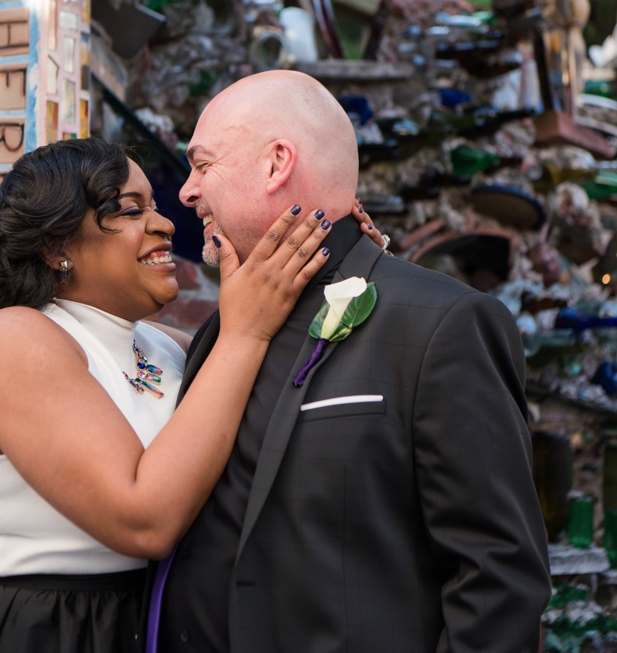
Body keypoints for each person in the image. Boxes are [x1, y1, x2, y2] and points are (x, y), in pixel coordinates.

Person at [0, 137, 382, 653]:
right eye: (131, 209)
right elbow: (145, 521)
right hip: (56, 632)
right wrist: (244, 332)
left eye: (154, 207)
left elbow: (280, 378)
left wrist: (354, 268)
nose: (162, 224)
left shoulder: (164, 348)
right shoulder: (13, 339)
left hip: (164, 619)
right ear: (56, 246)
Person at [149, 70, 552, 653]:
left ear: (276, 163)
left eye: (202, 165)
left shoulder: (439, 323)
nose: (186, 192)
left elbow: (499, 581)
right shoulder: (219, 334)